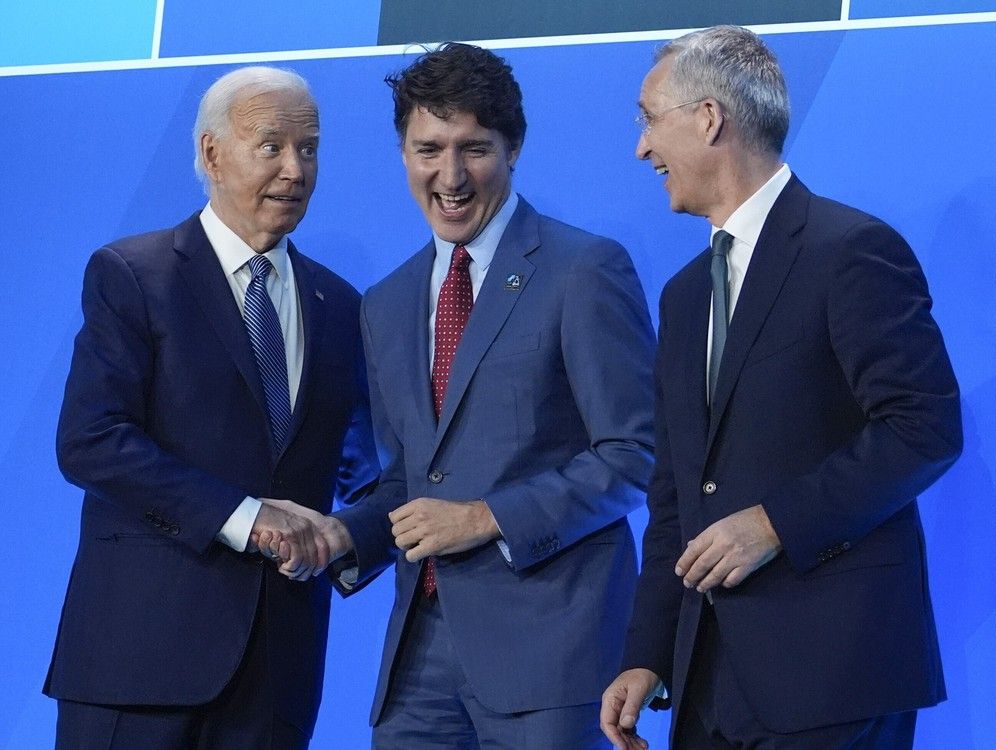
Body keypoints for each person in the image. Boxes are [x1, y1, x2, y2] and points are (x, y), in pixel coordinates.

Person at [272, 42, 654, 748]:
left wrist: (488, 516)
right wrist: (344, 532)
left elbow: (633, 455)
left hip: (552, 657)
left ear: (514, 149)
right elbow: (408, 481)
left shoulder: (584, 270)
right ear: (402, 152)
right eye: (428, 149)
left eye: (473, 148)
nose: (449, 176)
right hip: (419, 659)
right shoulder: (385, 304)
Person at [600, 25, 963, 750]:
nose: (641, 147)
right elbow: (675, 493)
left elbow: (924, 428)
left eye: (648, 119)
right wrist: (647, 651)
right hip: (707, 686)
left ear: (708, 119)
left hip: (835, 677)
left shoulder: (851, 251)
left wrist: (774, 523)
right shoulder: (682, 297)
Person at [44, 66, 378, 749]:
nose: (295, 168)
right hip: (136, 666)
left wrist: (352, 538)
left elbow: (368, 468)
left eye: (309, 148)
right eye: (272, 145)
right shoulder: (133, 276)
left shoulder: (340, 306)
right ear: (209, 152)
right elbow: (91, 439)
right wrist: (248, 519)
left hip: (276, 677)